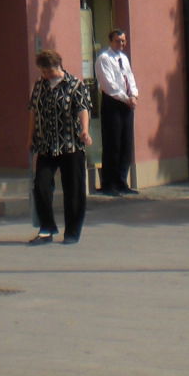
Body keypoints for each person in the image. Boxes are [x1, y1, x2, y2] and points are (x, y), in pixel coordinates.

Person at [28, 48, 92, 245]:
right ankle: (46, 228)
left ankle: (72, 231)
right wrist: (30, 136)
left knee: (73, 189)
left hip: (70, 144)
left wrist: (85, 130)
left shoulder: (74, 85)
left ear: (57, 66)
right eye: (43, 72)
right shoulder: (40, 86)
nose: (45, 75)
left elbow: (83, 108)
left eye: (48, 71)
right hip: (46, 144)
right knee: (41, 186)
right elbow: (33, 111)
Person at [94, 28, 138, 194]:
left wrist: (134, 95)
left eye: (123, 41)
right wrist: (125, 98)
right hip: (113, 102)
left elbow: (130, 78)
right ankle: (109, 183)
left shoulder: (124, 58)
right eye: (118, 41)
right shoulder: (104, 59)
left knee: (126, 142)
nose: (121, 44)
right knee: (113, 143)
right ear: (111, 42)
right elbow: (108, 84)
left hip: (127, 102)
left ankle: (122, 181)